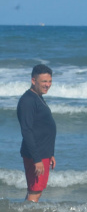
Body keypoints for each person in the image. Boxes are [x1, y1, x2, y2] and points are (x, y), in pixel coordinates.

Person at [17, 64, 57, 202]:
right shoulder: (27, 100)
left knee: (35, 191)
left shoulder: (38, 96)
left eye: (50, 81)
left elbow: (42, 127)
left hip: (43, 153)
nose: (48, 85)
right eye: (44, 81)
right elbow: (26, 130)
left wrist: (50, 153)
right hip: (36, 154)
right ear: (33, 80)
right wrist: (37, 159)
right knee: (35, 192)